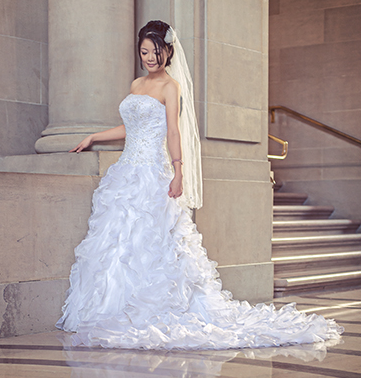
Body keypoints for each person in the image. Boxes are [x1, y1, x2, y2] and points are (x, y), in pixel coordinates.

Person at [55, 20, 342, 349]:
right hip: (126, 173)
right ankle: (113, 305)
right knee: (118, 243)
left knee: (152, 243)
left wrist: (178, 171)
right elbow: (129, 127)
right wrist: (93, 136)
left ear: (168, 52)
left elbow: (173, 132)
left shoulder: (170, 87)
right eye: (145, 51)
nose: (150, 57)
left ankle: (156, 306)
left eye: (156, 51)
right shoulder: (136, 85)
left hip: (153, 172)